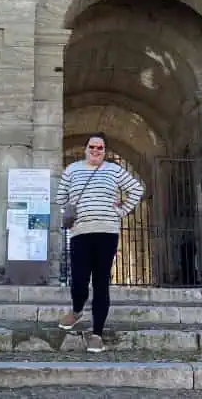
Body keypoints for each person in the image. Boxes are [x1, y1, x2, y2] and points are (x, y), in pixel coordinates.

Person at [56, 132, 145, 353]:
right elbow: (60, 198)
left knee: (101, 283)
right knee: (78, 279)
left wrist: (121, 210)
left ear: (105, 151)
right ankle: (77, 310)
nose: (96, 151)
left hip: (107, 232)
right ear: (85, 148)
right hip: (80, 232)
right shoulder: (72, 170)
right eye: (92, 147)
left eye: (100, 148)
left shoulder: (114, 170)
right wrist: (70, 210)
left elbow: (137, 189)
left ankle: (96, 333)